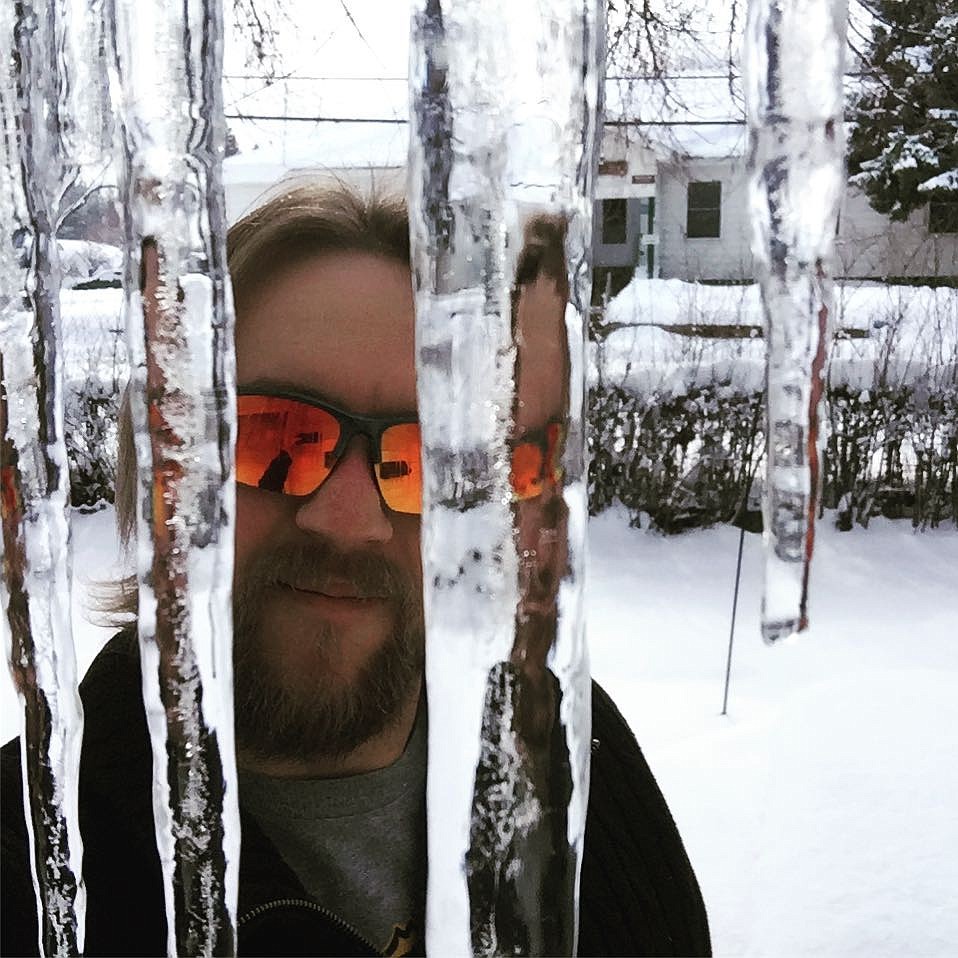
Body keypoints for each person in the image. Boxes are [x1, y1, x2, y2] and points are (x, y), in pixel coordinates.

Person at [1, 179, 710, 957]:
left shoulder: (572, 753)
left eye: (423, 457)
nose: (348, 521)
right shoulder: (34, 864)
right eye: (273, 437)